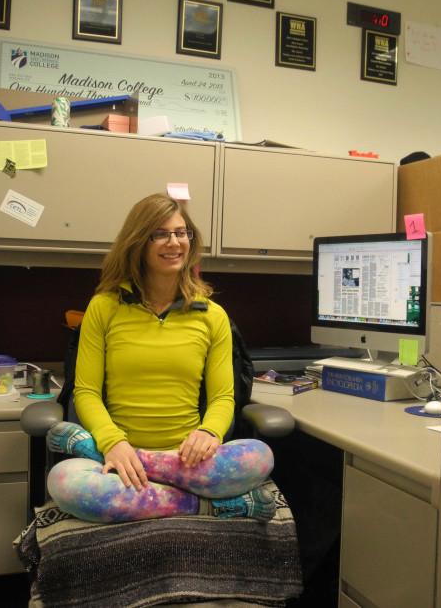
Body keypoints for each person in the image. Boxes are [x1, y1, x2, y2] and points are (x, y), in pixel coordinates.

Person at [45, 193, 276, 523]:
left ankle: (147, 470)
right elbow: (86, 391)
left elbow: (224, 396)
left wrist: (210, 433)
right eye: (161, 234)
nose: (175, 242)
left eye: (182, 233)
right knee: (63, 482)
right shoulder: (104, 306)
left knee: (260, 457)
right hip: (118, 459)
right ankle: (206, 505)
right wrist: (113, 444)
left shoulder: (212, 315)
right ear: (138, 241)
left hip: (188, 461)